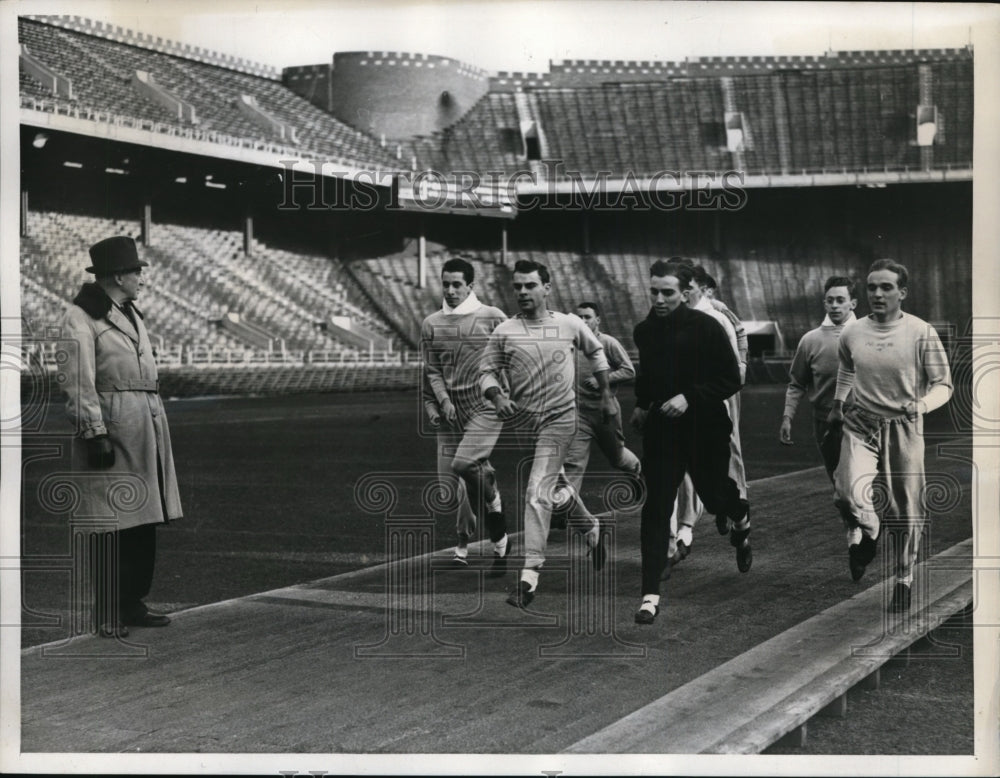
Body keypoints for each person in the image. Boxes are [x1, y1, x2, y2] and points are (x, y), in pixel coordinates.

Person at [460, 259, 616, 609]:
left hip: (561, 421)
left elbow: (596, 350)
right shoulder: (504, 332)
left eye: (530, 285)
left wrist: (607, 394)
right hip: (527, 425)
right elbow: (485, 372)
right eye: (517, 286)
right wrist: (497, 395)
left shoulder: (569, 323)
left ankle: (529, 577)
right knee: (556, 487)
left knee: (536, 492)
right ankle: (591, 528)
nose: (523, 292)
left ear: (547, 287)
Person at [58, 236, 182, 637]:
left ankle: (132, 602)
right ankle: (108, 610)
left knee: (143, 521)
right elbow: (78, 381)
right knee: (111, 524)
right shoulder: (81, 317)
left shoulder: (130, 312)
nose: (141, 277)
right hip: (112, 425)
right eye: (135, 271)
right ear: (116, 276)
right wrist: (93, 432)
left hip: (144, 422)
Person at [630, 260, 749, 625]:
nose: (660, 299)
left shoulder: (707, 327)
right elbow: (648, 374)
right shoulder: (644, 331)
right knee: (656, 508)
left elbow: (732, 379)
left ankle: (740, 514)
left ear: (685, 293)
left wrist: (689, 397)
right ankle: (650, 595)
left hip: (705, 427)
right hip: (663, 432)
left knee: (715, 499)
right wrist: (640, 404)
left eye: (668, 293)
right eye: (654, 292)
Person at [830, 259, 952, 611]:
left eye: (886, 287)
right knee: (845, 495)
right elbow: (846, 369)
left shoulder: (920, 331)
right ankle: (870, 532)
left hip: (904, 425)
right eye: (871, 287)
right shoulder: (852, 332)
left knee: (908, 510)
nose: (877, 294)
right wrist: (839, 404)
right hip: (861, 423)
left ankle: (903, 578)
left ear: (902, 292)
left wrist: (923, 406)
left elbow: (944, 385)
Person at [421, 258, 509, 573]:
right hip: (452, 410)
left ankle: (495, 538)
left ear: (470, 286)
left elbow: (512, 356)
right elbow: (432, 370)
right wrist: (442, 400)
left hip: (484, 404)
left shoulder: (493, 316)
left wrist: (505, 393)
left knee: (463, 465)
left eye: (457, 284)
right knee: (463, 485)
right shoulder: (431, 323)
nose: (451, 290)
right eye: (446, 284)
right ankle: (497, 535)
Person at [667, 265, 749, 571]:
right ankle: (683, 532)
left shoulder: (717, 316)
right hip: (682, 402)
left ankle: (736, 507)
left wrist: (741, 367)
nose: (681, 292)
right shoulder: (668, 317)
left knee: (728, 452)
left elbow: (738, 342)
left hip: (716, 396)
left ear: (702, 288)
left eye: (686, 286)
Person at [550, 301, 641, 533]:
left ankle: (637, 472)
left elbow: (629, 369)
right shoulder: (570, 344)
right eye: (579, 317)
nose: (583, 321)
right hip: (577, 414)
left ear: (597, 320)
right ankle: (562, 510)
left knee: (617, 457)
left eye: (588, 317)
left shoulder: (608, 342)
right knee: (573, 463)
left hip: (605, 412)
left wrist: (606, 378)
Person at [779, 276, 858, 479]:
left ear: (853, 303)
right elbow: (796, 383)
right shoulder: (810, 340)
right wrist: (787, 417)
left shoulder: (869, 335)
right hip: (825, 424)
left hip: (862, 421)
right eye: (830, 300)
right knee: (840, 489)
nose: (834, 305)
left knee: (860, 485)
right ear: (824, 303)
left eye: (840, 300)